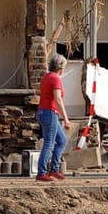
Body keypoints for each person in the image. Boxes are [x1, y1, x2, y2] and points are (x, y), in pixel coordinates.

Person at [36, 52, 72, 182]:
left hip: (43, 112)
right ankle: (41, 172)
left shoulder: (46, 77)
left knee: (62, 140)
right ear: (60, 67)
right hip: (50, 113)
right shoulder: (56, 78)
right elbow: (57, 98)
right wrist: (66, 118)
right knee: (49, 144)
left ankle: (54, 169)